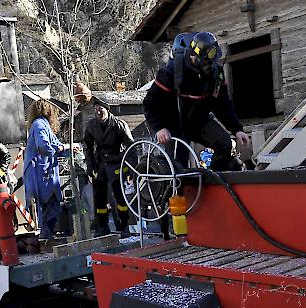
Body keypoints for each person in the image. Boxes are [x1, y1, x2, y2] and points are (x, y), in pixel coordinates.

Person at [144, 31, 251, 172]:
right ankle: (178, 192)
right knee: (178, 167)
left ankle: (215, 182)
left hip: (198, 121)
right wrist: (159, 128)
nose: (209, 66)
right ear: (193, 55)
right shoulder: (170, 72)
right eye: (203, 61)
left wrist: (237, 129)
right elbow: (150, 103)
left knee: (225, 144)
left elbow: (223, 104)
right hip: (173, 124)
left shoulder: (216, 73)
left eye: (211, 63)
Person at [84, 98, 134, 238]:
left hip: (117, 164)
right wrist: (90, 165)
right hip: (99, 166)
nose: (98, 112)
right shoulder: (91, 125)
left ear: (107, 109)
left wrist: (131, 168)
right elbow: (87, 147)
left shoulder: (119, 124)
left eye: (101, 109)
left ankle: (124, 226)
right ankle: (102, 227)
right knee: (99, 199)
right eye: (96, 110)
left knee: (120, 198)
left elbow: (131, 146)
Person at [24, 99, 66, 242]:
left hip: (43, 171)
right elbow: (44, 146)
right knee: (49, 203)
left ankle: (47, 234)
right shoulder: (40, 125)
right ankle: (47, 236)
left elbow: (54, 144)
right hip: (42, 173)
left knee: (48, 205)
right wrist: (60, 149)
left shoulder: (40, 125)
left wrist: (66, 148)